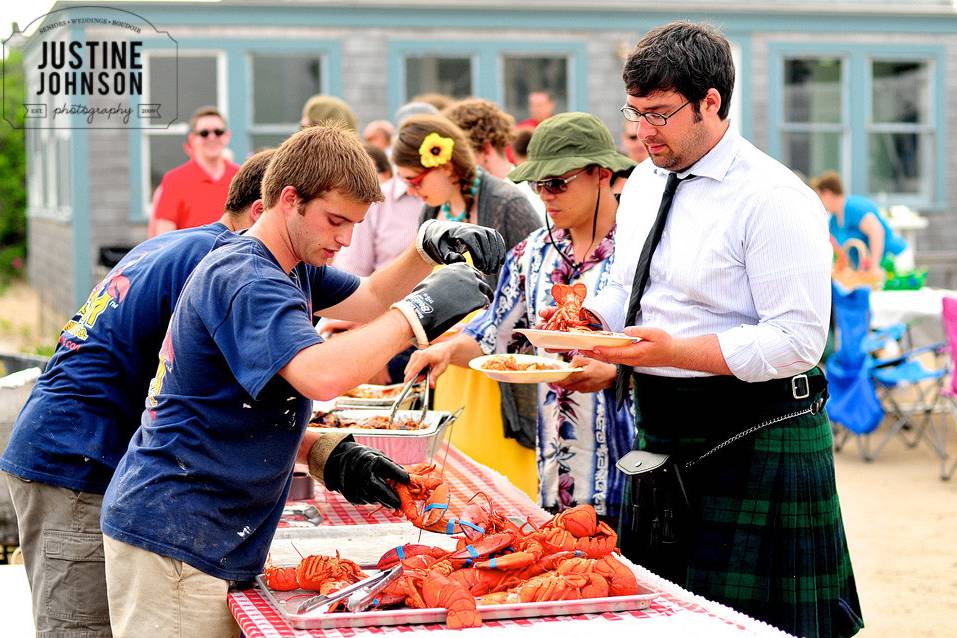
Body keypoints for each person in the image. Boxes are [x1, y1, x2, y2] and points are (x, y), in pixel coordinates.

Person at [99, 124, 504, 637]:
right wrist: (421, 311)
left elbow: (370, 299)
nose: (344, 239)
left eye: (355, 225)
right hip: (177, 533)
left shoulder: (290, 264)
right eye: (336, 221)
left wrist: (424, 249)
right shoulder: (247, 277)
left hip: (202, 524)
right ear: (289, 199)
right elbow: (321, 374)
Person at [572, 21, 863, 638]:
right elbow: (634, 285)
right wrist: (590, 320)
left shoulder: (774, 198)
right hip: (662, 428)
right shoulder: (648, 179)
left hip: (756, 433)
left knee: (762, 629)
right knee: (668, 621)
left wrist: (672, 350)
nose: (642, 131)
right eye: (635, 112)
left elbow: (796, 342)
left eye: (659, 115)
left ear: (712, 102)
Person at [0, 149, 275, 637]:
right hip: (73, 461)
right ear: (262, 212)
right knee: (82, 628)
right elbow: (212, 397)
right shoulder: (218, 261)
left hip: (69, 441)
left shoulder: (182, 244)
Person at [404, 112, 636, 519]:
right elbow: (496, 335)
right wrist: (446, 351)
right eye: (537, 184)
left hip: (629, 471)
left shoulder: (645, 249)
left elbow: (680, 346)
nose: (545, 195)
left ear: (602, 173)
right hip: (554, 474)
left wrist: (619, 375)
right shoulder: (532, 253)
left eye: (557, 183)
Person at [392, 114, 542, 497]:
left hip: (494, 365)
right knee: (457, 471)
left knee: (501, 480)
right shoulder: (432, 214)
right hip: (449, 360)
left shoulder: (508, 202)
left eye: (415, 180)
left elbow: (531, 290)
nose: (412, 191)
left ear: (443, 164)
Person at [443, 98, 546, 221]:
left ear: (486, 150)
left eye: (461, 155)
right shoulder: (462, 201)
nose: (454, 165)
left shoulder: (524, 200)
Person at [149, 106, 240, 237]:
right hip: (193, 257)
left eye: (218, 132)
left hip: (235, 256)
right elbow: (164, 239)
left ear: (227, 136)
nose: (212, 137)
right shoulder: (174, 180)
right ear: (192, 139)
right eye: (204, 133)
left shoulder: (241, 177)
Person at [811, 170, 906, 273]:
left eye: (819, 197)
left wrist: (874, 266)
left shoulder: (854, 207)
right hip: (867, 271)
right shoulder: (833, 222)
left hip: (893, 260)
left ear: (827, 194)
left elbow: (877, 232)